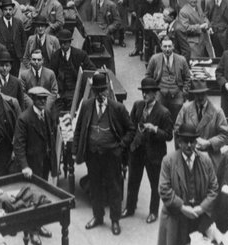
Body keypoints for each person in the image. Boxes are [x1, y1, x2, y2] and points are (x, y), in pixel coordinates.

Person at [157, 121, 219, 245]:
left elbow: (214, 188)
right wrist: (182, 207)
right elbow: (164, 189)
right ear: (179, 141)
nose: (189, 146)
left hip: (196, 217)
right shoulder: (169, 161)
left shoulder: (205, 160)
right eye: (185, 141)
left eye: (192, 141)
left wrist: (201, 208)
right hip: (176, 217)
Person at [73, 73, 131, 234]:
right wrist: (75, 150)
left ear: (107, 90)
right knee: (95, 186)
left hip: (112, 155)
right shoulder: (86, 105)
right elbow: (78, 129)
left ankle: (115, 220)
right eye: (97, 91)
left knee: (114, 187)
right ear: (93, 91)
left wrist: (121, 146)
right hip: (93, 154)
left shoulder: (117, 108)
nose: (100, 94)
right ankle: (98, 216)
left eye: (103, 90)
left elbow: (131, 129)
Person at [125, 76, 173, 224]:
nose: (144, 94)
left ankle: (153, 212)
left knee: (155, 184)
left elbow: (169, 135)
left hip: (154, 154)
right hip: (137, 151)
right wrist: (131, 145)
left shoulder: (163, 112)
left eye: (148, 92)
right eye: (143, 92)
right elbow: (131, 126)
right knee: (133, 181)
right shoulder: (138, 106)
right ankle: (130, 208)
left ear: (155, 93)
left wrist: (155, 129)